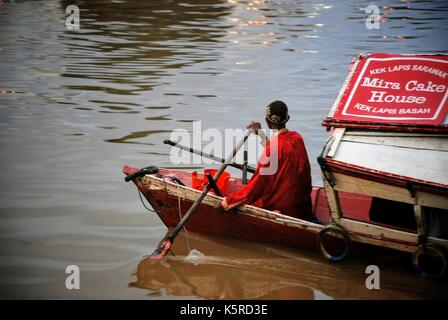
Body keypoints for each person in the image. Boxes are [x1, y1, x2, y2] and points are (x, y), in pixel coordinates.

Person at [220, 100, 313, 219]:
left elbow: (256, 187)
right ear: (287, 119)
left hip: (282, 208)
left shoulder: (273, 149)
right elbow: (278, 149)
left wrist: (227, 203)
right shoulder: (297, 138)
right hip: (302, 206)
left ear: (267, 122)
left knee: (251, 195)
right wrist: (261, 134)